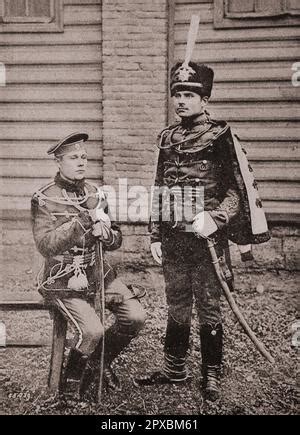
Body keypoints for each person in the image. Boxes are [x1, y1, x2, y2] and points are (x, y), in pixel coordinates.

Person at [135, 62, 270, 401]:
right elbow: (159, 187)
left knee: (209, 305)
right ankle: (174, 369)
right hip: (173, 239)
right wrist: (154, 233)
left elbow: (237, 191)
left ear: (205, 100)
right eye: (177, 94)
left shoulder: (220, 136)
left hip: (207, 238)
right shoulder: (167, 137)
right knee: (176, 302)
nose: (182, 100)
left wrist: (216, 218)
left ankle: (211, 374)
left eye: (190, 95)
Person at [31, 132, 146, 399]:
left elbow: (116, 237)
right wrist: (82, 222)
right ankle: (71, 385)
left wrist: (108, 235)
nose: (81, 162)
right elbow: (45, 245)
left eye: (84, 157)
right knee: (92, 330)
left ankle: (97, 363)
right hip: (62, 277)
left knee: (136, 317)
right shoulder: (44, 198)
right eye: (73, 158)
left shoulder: (96, 193)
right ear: (59, 162)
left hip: (97, 271)